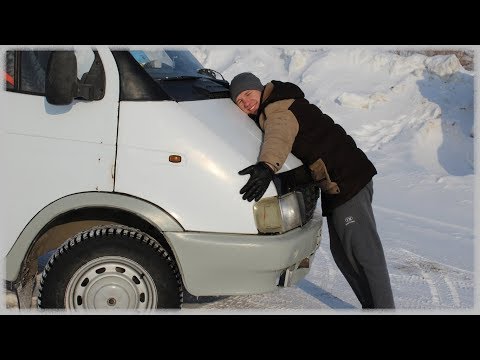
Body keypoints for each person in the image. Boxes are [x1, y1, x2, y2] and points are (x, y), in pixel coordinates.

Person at [230, 72, 395, 309]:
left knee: (363, 254)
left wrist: (267, 166)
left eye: (247, 94)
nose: (246, 102)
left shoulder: (277, 108)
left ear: (259, 88)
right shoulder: (276, 103)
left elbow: (279, 136)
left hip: (347, 179)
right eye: (240, 102)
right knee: (344, 255)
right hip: (337, 183)